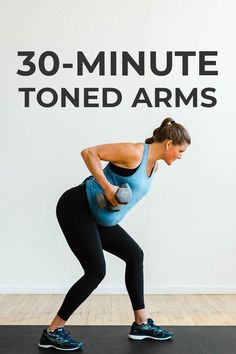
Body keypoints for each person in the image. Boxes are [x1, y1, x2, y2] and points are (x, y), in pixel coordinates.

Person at [38, 117, 191, 351]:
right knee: (96, 271)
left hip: (99, 217)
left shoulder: (154, 165)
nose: (181, 156)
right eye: (180, 151)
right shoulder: (134, 152)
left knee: (134, 255)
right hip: (77, 207)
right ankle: (51, 331)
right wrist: (107, 187)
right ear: (169, 144)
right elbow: (89, 152)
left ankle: (141, 324)